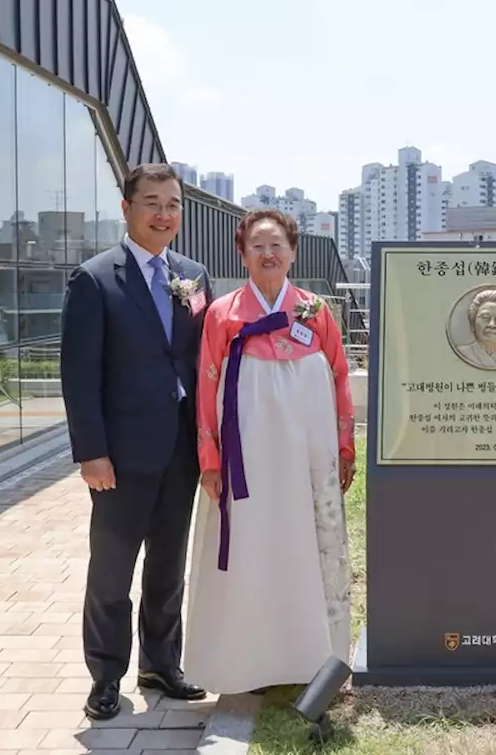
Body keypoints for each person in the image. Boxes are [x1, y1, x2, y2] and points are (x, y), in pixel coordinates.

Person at [60, 163, 214, 720]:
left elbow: (204, 362)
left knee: (169, 565)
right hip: (120, 456)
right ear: (127, 208)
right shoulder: (95, 279)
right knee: (111, 568)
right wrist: (90, 451)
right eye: (152, 202)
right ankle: (105, 676)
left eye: (172, 204)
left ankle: (161, 663)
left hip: (182, 448)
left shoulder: (193, 276)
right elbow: (78, 375)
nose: (164, 214)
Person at [182, 209, 356, 695]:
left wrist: (344, 444)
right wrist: (210, 459)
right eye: (257, 245)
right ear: (242, 254)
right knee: (253, 541)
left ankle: (313, 658)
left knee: (307, 537)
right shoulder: (223, 314)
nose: (268, 253)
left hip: (307, 445)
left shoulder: (316, 311)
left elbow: (339, 376)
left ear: (293, 252)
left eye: (277, 244)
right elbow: (207, 386)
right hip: (249, 450)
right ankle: (249, 660)